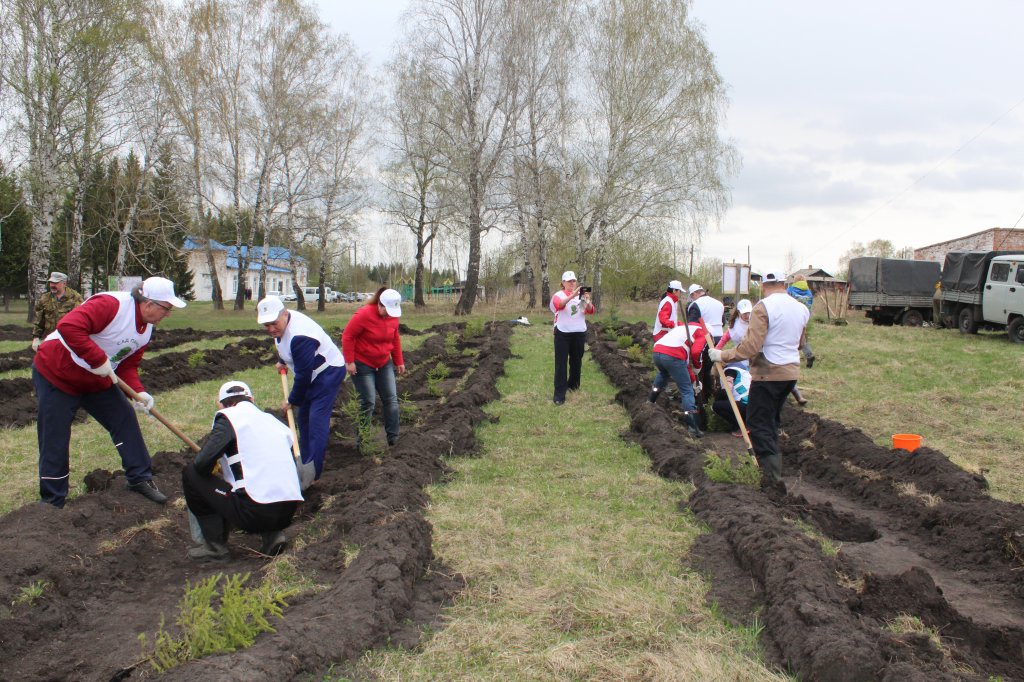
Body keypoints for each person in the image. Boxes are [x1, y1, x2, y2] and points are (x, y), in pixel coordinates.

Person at [32, 276, 185, 508]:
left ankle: (139, 478)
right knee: (55, 435)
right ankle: (53, 499)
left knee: (124, 419)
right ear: (148, 303)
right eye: (166, 308)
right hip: (58, 373)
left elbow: (127, 365)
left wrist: (138, 393)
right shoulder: (111, 304)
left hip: (96, 380)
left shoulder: (145, 329)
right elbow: (68, 327)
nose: (168, 314)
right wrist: (97, 358)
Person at [708, 271, 809, 495]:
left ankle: (772, 480)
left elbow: (750, 348)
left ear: (763, 284)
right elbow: (800, 343)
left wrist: (721, 356)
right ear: (784, 283)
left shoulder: (763, 307)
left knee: (757, 422)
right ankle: (769, 469)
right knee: (771, 420)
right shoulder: (801, 308)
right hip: (790, 373)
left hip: (768, 372)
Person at [182, 381, 303, 560]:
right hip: (288, 511)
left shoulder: (229, 417)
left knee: (191, 473)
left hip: (254, 513)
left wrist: (214, 468)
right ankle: (273, 535)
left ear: (221, 405)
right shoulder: (275, 423)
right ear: (252, 400)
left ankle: (214, 547)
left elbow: (201, 464)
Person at [258, 295, 344, 482]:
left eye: (274, 323)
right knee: (303, 418)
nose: (271, 329)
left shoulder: (301, 336)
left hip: (328, 372)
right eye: (266, 326)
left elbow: (304, 375)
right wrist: (282, 361)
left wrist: (292, 400)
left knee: (316, 420)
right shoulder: (283, 326)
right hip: (310, 374)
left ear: (285, 314)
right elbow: (284, 346)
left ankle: (313, 473)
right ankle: (304, 461)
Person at [340, 287, 405, 446]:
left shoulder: (393, 318)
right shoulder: (363, 315)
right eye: (387, 310)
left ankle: (393, 438)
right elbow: (348, 336)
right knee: (368, 401)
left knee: (391, 399)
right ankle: (363, 440)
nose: (389, 314)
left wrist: (399, 361)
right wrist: (349, 361)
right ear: (380, 305)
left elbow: (394, 339)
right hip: (362, 365)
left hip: (383, 363)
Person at [647, 320, 707, 437]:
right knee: (686, 390)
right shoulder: (702, 333)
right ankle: (693, 427)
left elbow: (685, 366)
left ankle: (650, 401)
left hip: (657, 350)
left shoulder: (683, 329)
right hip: (673, 354)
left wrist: (695, 379)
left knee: (664, 373)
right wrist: (697, 368)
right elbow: (695, 353)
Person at [549, 270, 595, 405]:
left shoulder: (580, 296)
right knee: (561, 363)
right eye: (569, 281)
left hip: (579, 332)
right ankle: (559, 395)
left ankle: (573, 386)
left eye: (574, 281)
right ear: (563, 283)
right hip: (563, 333)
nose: (572, 283)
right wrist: (572, 295)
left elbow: (589, 310)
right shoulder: (558, 294)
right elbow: (559, 305)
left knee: (576, 361)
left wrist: (586, 300)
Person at [32, 272, 83, 351]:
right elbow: (39, 320)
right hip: (50, 339)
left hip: (69, 341)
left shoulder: (75, 298)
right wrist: (36, 337)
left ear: (64, 283)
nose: (52, 285)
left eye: (56, 283)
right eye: (51, 282)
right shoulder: (45, 298)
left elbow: (81, 320)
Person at [712, 366, 751, 437]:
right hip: (756, 406)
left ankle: (742, 426)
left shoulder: (729, 372)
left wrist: (716, 397)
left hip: (746, 405)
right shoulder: (743, 371)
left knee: (716, 405)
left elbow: (725, 391)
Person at [716, 299, 753, 371]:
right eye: (745, 313)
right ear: (739, 312)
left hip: (754, 358)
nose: (747, 315)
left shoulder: (756, 321)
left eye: (749, 312)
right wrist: (716, 350)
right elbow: (724, 339)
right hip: (740, 357)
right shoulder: (735, 325)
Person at [787, 275, 815, 368]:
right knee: (801, 337)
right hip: (804, 317)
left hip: (791, 316)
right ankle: (809, 354)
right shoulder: (809, 292)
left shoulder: (790, 290)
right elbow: (810, 305)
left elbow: (785, 302)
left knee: (789, 338)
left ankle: (790, 359)